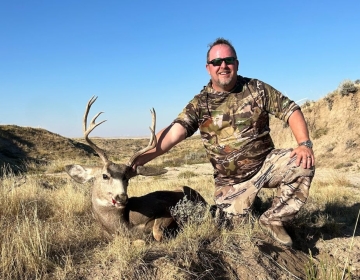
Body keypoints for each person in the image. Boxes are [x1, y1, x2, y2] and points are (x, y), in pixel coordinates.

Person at [132, 38, 315, 247]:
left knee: (302, 162)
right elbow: (172, 135)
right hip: (230, 184)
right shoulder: (200, 104)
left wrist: (304, 144)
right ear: (208, 68)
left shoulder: (257, 88)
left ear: (236, 64)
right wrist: (136, 161)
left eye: (228, 60)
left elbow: (291, 111)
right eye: (217, 62)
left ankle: (274, 219)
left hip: (266, 166)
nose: (223, 66)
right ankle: (248, 207)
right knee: (232, 229)